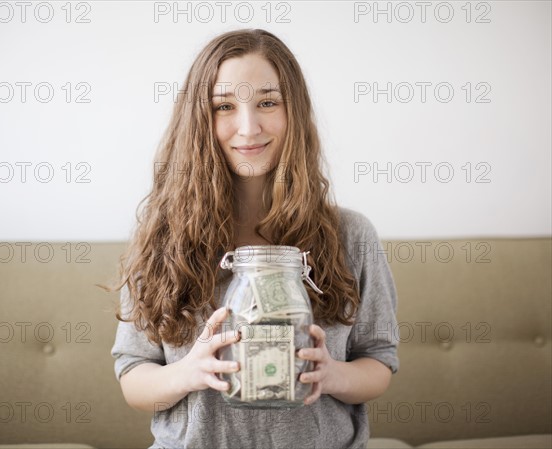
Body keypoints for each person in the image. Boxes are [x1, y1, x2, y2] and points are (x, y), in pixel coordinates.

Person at [110, 28, 399, 449]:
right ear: (199, 121)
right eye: (224, 106)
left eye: (267, 102)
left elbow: (379, 360)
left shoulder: (351, 236)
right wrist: (188, 372)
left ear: (294, 111)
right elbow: (133, 376)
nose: (248, 128)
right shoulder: (161, 237)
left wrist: (335, 375)